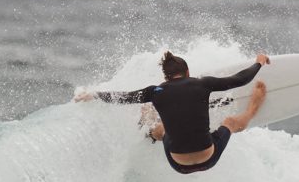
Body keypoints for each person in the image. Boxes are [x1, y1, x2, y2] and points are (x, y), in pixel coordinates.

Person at [76, 51, 270, 174]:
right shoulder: (202, 83)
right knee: (229, 122)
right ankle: (253, 107)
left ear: (165, 77)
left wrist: (93, 95)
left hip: (178, 165)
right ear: (187, 71)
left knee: (162, 128)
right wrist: (259, 62)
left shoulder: (154, 92)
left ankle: (150, 134)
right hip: (208, 157)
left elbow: (122, 97)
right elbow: (240, 79)